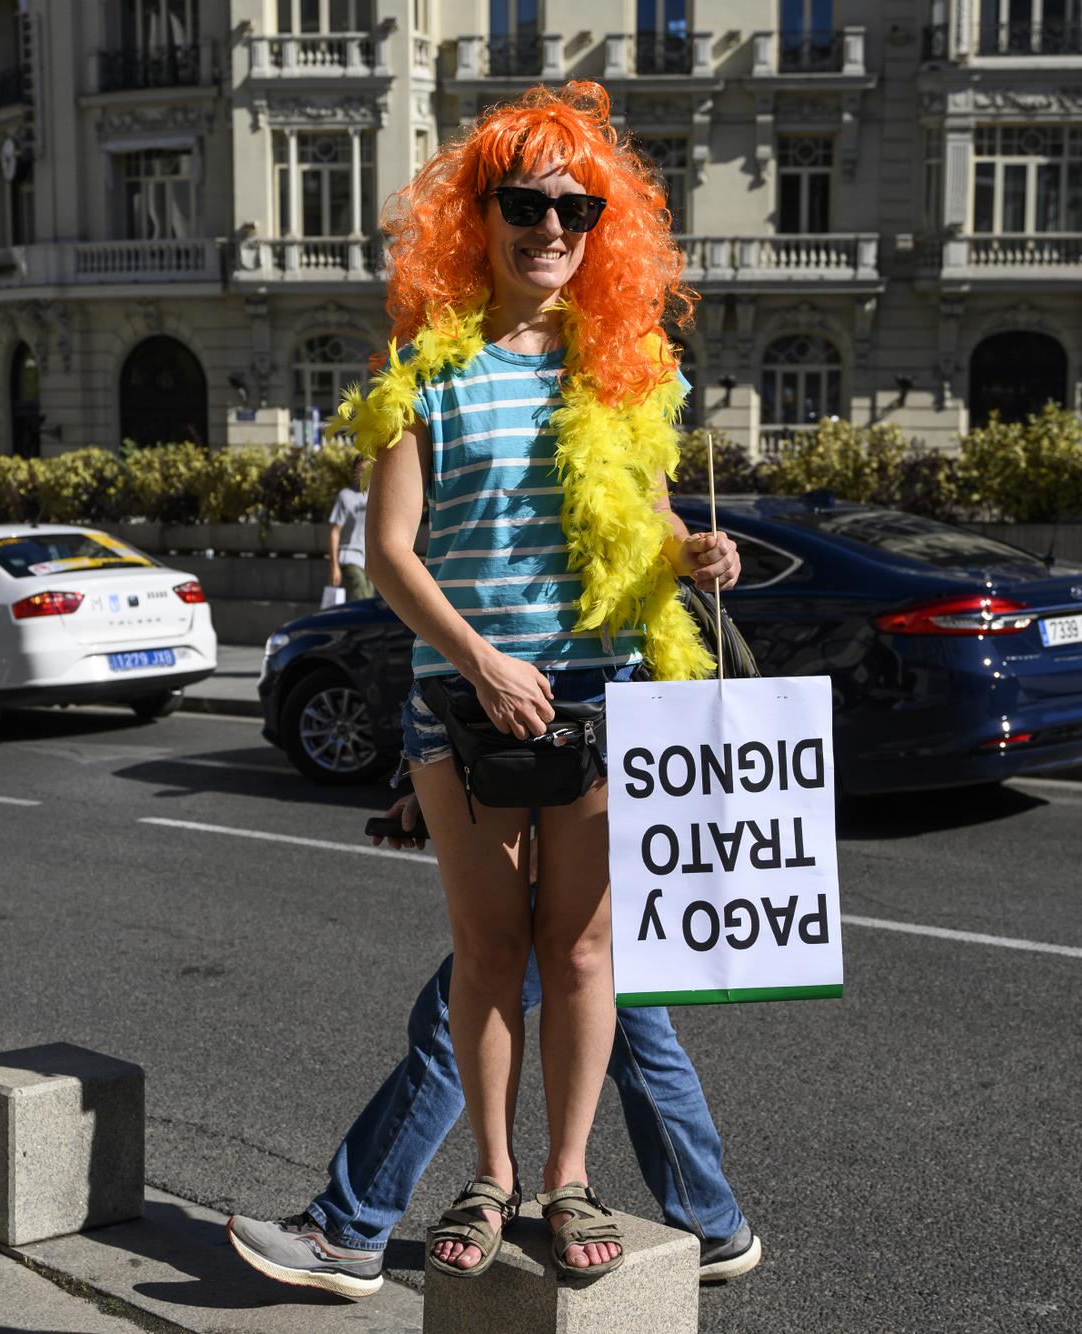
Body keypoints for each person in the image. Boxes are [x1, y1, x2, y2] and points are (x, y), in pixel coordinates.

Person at [246, 82, 740, 1284]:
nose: (552, 227)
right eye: (525, 203)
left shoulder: (623, 371)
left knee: (576, 954)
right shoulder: (419, 370)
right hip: (463, 702)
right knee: (484, 950)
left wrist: (695, 552)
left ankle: (566, 1182)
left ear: (602, 225)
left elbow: (648, 518)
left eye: (578, 205)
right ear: (479, 216)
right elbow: (388, 554)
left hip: (598, 690)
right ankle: (492, 1173)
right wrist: (480, 659)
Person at [228, 792, 762, 1297]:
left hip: (576, 786)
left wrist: (527, 827)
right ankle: (710, 1222)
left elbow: (556, 700)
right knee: (623, 1018)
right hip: (598, 785)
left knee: (461, 1014)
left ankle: (349, 1227)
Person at [327, 461, 374, 602]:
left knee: (369, 598)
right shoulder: (345, 496)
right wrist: (334, 565)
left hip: (369, 560)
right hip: (349, 556)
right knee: (361, 595)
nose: (365, 475)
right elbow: (334, 532)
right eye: (361, 471)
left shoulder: (376, 494)